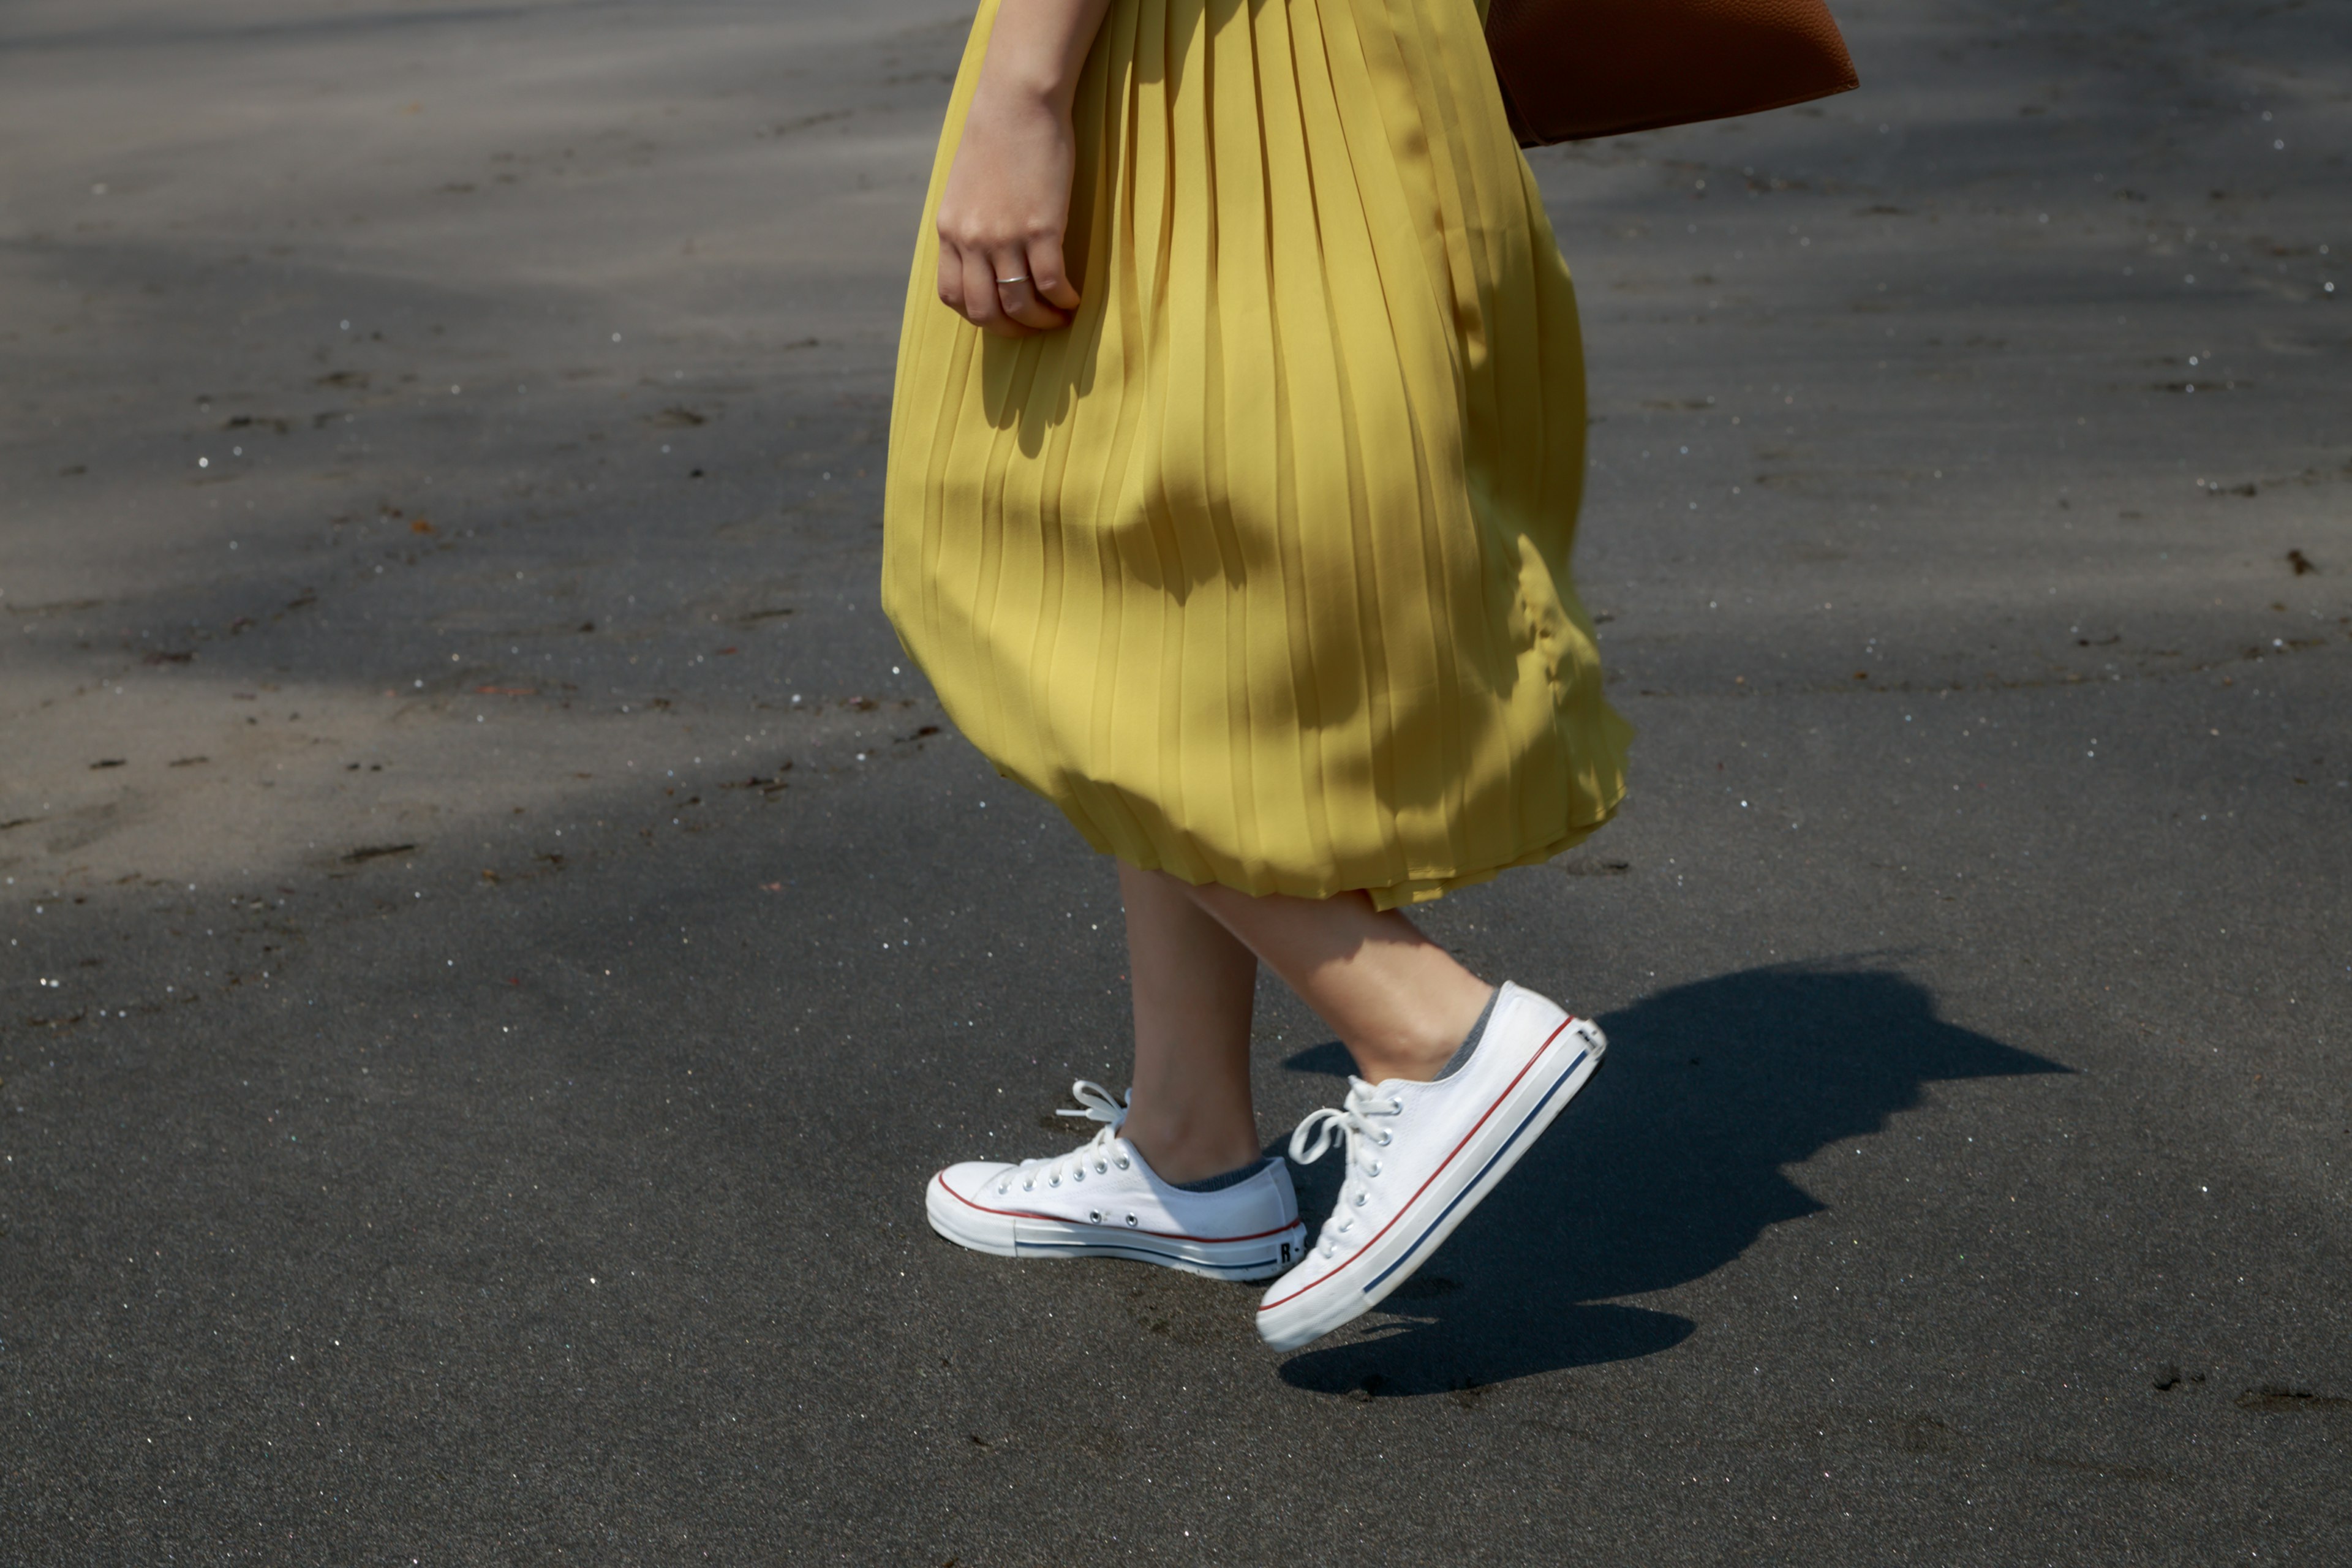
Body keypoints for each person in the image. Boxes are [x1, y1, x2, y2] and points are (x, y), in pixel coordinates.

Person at [883, 0, 1630, 1351]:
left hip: (1206, 77)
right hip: (1343, 57)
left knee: (1012, 568)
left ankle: (1432, 1032)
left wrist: (1026, 90)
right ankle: (1193, 1151)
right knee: (1184, 595)